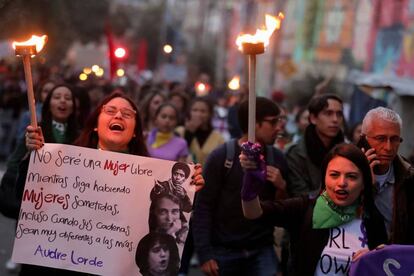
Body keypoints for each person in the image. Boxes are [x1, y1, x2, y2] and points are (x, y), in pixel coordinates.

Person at [21, 91, 204, 275]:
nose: (118, 115)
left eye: (127, 114)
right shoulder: (64, 163)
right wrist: (33, 158)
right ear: (95, 125)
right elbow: (26, 200)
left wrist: (191, 188)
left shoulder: (152, 180)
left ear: (134, 132)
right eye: (110, 110)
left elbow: (168, 222)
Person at [240, 143, 387, 275]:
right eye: (334, 175)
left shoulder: (372, 218)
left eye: (352, 176)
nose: (342, 183)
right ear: (324, 179)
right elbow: (254, 213)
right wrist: (250, 192)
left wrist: (373, 259)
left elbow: (386, 264)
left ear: (363, 183)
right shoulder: (304, 208)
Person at [192, 97, 288, 276]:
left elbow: (284, 212)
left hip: (262, 250)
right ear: (254, 124)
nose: (278, 127)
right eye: (273, 122)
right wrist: (205, 254)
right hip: (224, 252)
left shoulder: (277, 159)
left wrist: (282, 186)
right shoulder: (222, 157)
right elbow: (203, 207)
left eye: (280, 121)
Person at [358, 107, 414, 244]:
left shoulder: (409, 177)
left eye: (394, 139)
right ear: (363, 138)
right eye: (380, 138)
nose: (388, 147)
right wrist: (361, 184)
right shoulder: (342, 170)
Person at [286, 93, 345, 197]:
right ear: (313, 118)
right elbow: (300, 195)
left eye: (339, 114)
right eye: (328, 113)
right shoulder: (296, 154)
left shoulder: (347, 152)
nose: (335, 119)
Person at [176, 97, 225, 166]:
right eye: (195, 110)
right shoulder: (180, 131)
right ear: (189, 112)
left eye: (203, 111)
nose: (198, 114)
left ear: (209, 114)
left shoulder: (218, 138)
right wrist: (189, 132)